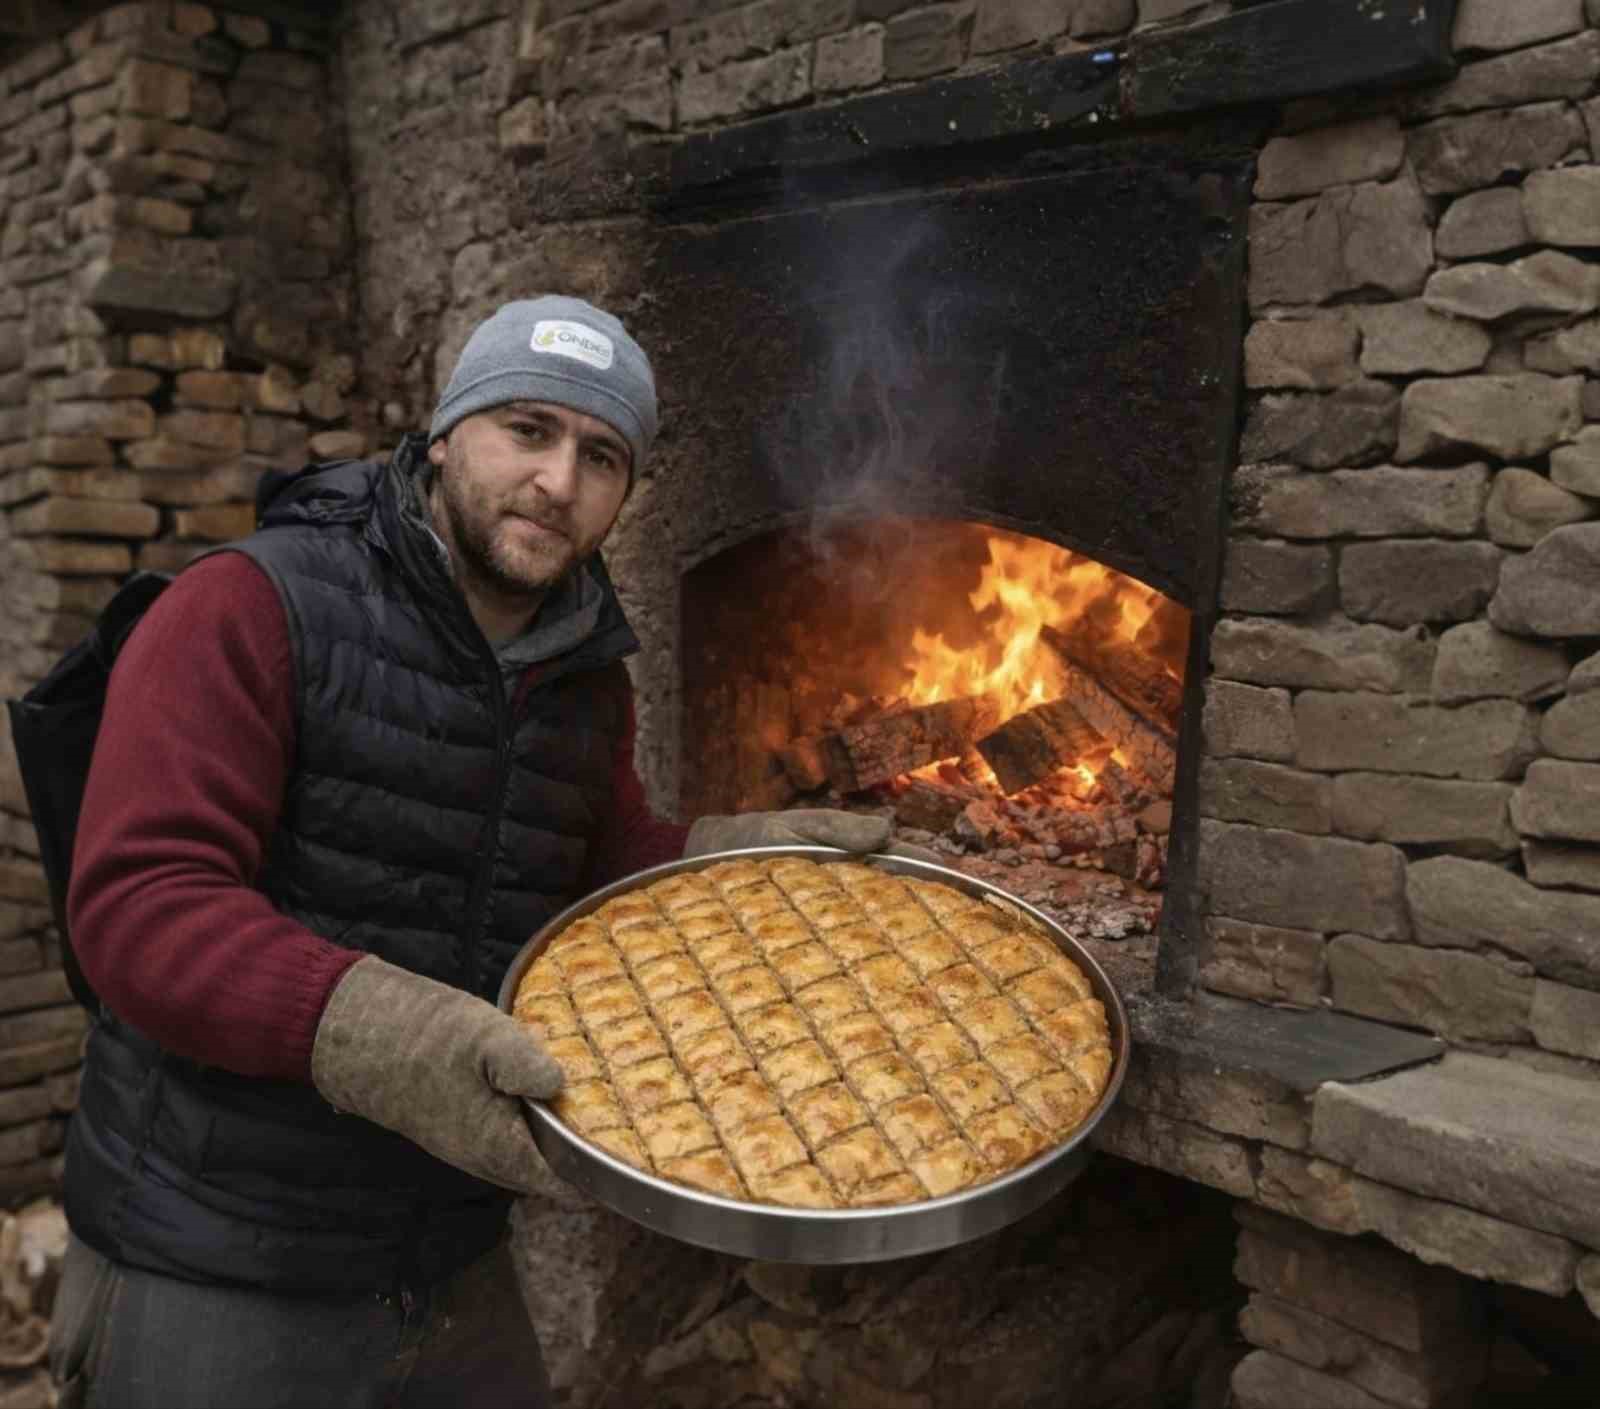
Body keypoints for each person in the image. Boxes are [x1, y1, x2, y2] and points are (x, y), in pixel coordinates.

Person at [46, 296, 902, 1409]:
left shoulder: (586, 673)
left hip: (449, 1251)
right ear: (445, 432)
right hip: (220, 1248)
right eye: (528, 430)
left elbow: (590, 864)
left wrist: (722, 860)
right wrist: (375, 1024)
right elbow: (138, 906)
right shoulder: (251, 605)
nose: (559, 481)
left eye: (602, 455)